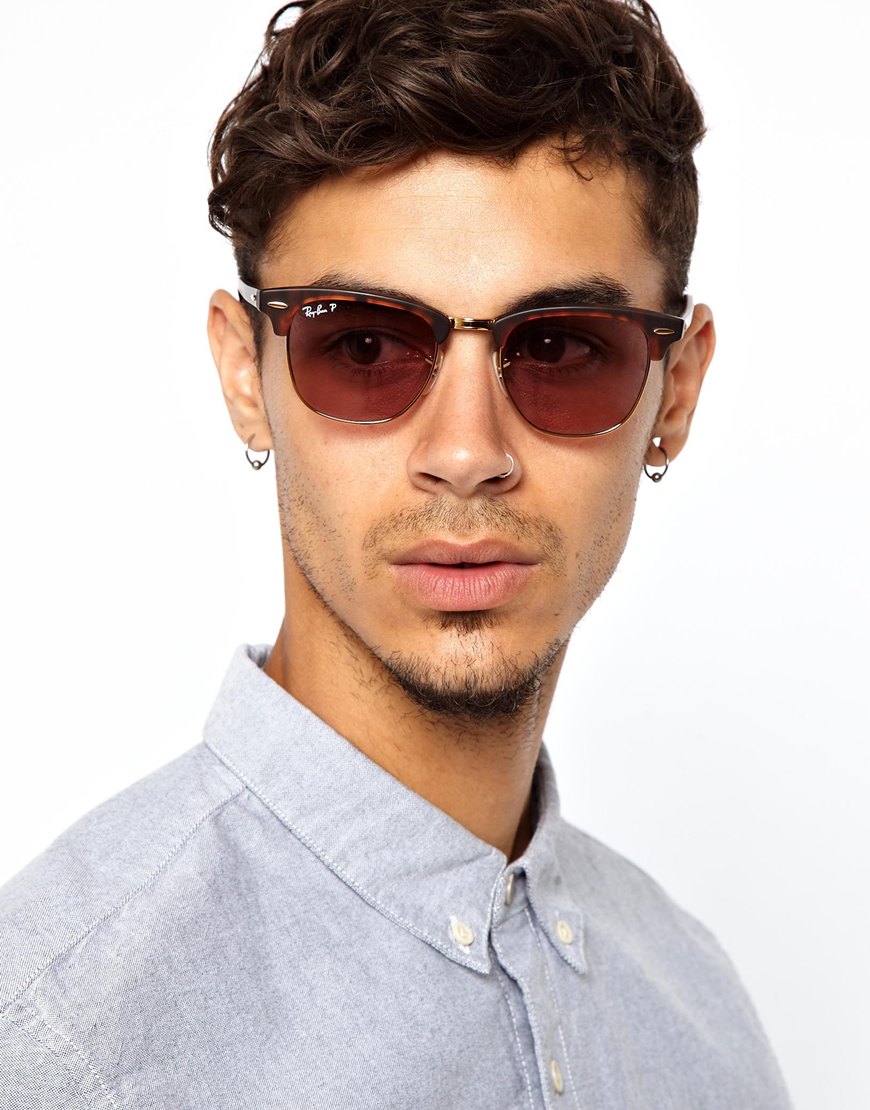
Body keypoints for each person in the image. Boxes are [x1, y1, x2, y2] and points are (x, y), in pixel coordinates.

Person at [0, 0, 793, 1105]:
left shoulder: (698, 1015)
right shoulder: (58, 1038)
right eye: (364, 346)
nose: (466, 454)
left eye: (564, 348)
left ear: (678, 390)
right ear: (245, 375)